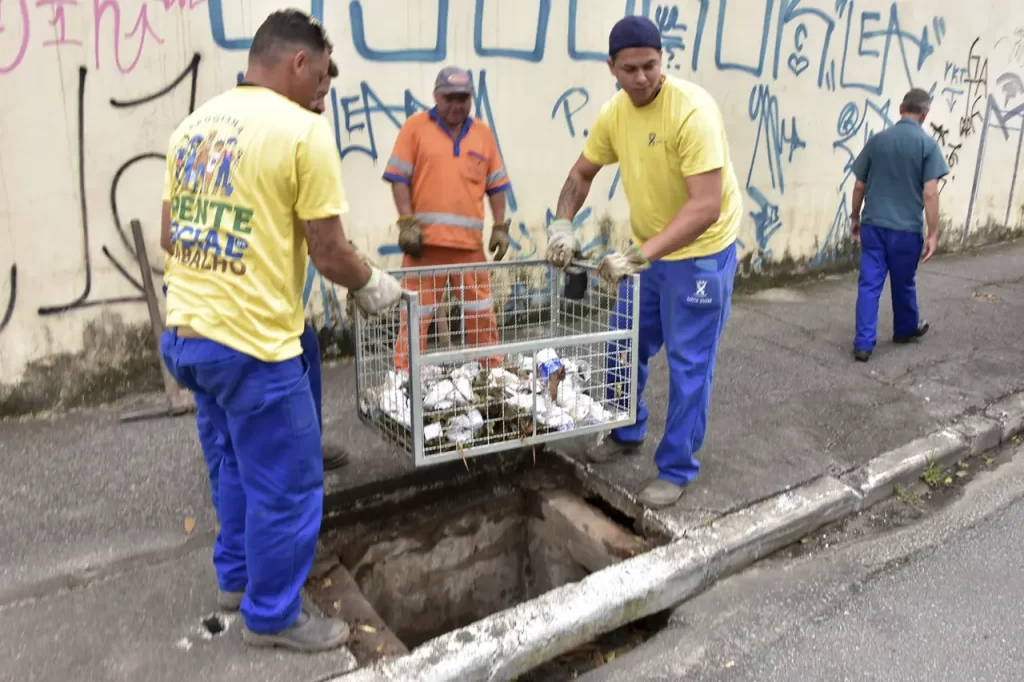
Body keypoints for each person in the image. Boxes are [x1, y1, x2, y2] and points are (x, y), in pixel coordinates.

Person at [158, 9, 402, 652]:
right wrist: (371, 282)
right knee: (289, 485)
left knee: (234, 465)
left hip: (189, 338)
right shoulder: (301, 131)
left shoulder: (194, 126)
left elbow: (168, 235)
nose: (324, 94)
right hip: (254, 347)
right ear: (298, 63)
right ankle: (272, 616)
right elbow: (328, 251)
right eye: (322, 79)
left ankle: (236, 580)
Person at [545, 16, 743, 508]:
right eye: (629, 68)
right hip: (650, 255)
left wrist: (637, 255)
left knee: (689, 364)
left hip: (699, 255)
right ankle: (625, 429)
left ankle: (676, 468)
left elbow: (705, 206)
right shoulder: (616, 113)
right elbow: (582, 171)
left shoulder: (690, 110)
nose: (642, 78)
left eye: (650, 66)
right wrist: (563, 224)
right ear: (611, 67)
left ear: (662, 60)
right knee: (622, 343)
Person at [382, 66, 511, 369]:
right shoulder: (415, 129)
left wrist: (501, 226)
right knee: (415, 317)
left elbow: (497, 183)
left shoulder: (482, 134)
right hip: (423, 248)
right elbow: (399, 176)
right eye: (450, 98)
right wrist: (406, 222)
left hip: (469, 249)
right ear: (436, 96)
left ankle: (490, 372)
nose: (457, 105)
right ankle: (406, 375)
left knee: (481, 314)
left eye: (463, 98)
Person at [849, 88, 947, 362]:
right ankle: (904, 330)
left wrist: (855, 217)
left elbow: (859, 185)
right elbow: (930, 192)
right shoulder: (927, 146)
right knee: (904, 283)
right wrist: (933, 232)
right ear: (925, 114)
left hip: (874, 226)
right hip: (906, 231)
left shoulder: (877, 141)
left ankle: (863, 345)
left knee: (869, 284)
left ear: (900, 108)